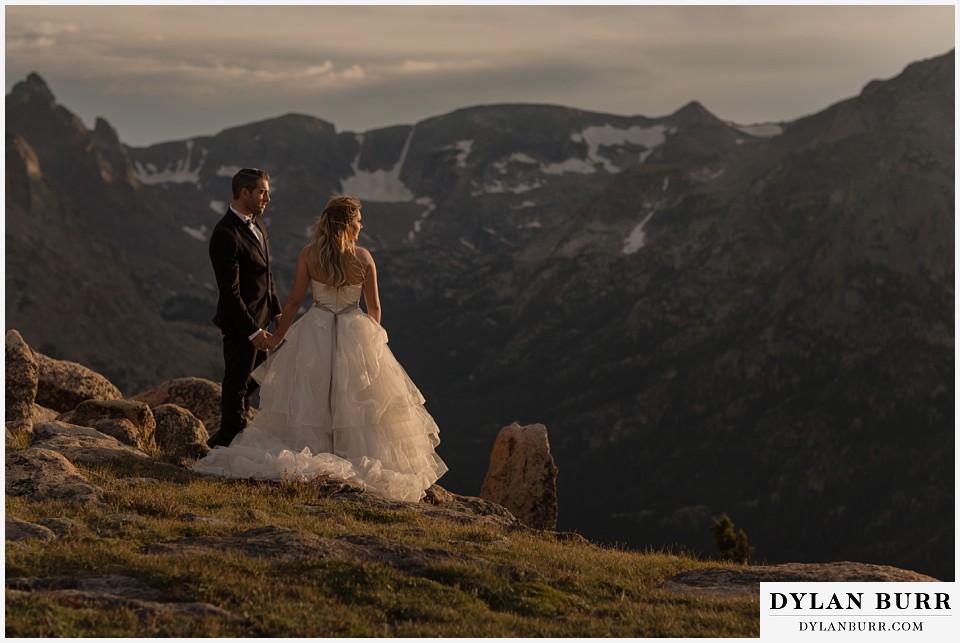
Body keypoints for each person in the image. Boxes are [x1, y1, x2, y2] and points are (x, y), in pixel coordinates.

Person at [194, 195, 447, 502]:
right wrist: (373, 339)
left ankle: (314, 450)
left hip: (316, 327)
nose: (361, 225)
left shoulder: (309, 254)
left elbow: (294, 301)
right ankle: (349, 452)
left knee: (310, 393)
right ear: (347, 223)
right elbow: (375, 308)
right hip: (356, 329)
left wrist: (276, 337)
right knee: (355, 397)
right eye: (358, 220)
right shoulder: (364, 258)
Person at [207, 168, 282, 448]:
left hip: (262, 319)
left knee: (253, 383)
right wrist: (252, 331)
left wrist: (277, 312)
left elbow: (266, 273)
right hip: (241, 323)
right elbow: (230, 292)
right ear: (244, 193)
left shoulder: (259, 226)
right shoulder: (225, 233)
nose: (268, 198)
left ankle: (236, 437)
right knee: (237, 383)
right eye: (263, 192)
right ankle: (227, 441)